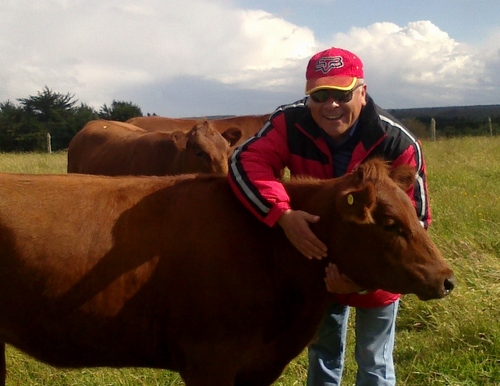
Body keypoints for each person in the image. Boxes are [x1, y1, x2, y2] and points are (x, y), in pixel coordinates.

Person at [227, 47, 431, 386]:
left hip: (378, 270)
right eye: (319, 95)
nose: (330, 105)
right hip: (318, 262)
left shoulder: (396, 140)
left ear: (362, 93)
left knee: (375, 360)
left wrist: (366, 278)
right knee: (323, 355)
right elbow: (246, 162)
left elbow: (417, 220)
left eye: (341, 93)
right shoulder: (289, 122)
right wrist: (282, 214)